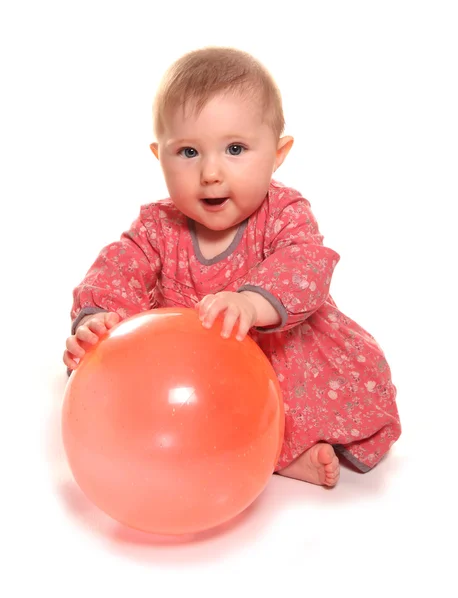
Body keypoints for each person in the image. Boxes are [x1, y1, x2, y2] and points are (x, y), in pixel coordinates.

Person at [64, 46, 401, 488]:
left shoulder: (283, 211)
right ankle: (249, 451)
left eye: (235, 149)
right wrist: (101, 322)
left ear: (278, 153)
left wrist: (251, 303)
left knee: (279, 400)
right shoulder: (157, 226)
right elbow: (117, 269)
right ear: (158, 155)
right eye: (187, 152)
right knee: (181, 414)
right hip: (195, 369)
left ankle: (283, 453)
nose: (210, 173)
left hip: (279, 354)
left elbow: (306, 261)